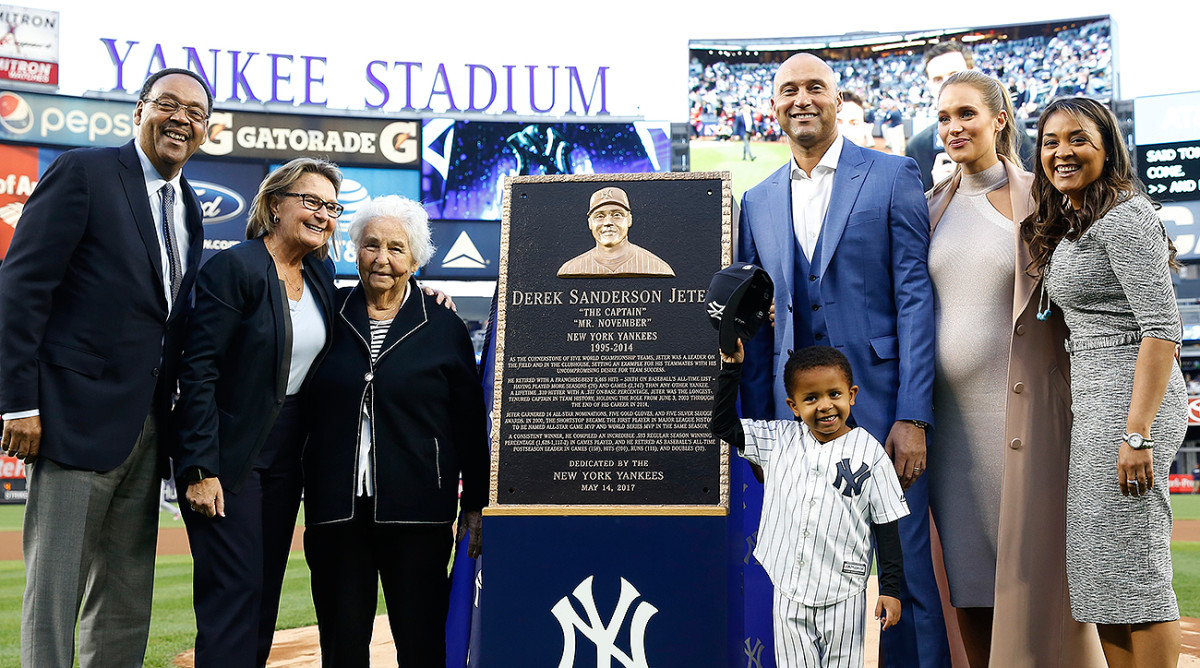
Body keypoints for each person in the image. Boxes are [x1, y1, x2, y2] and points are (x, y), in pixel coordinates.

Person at [738, 52, 949, 667]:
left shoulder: (890, 175)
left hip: (882, 410)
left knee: (899, 572)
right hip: (796, 424)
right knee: (809, 578)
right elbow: (755, 326)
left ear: (837, 100)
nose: (801, 99)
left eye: (815, 88)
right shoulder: (757, 200)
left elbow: (916, 298)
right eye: (788, 91)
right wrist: (760, 432)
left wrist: (914, 415)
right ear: (773, 107)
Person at [0, 68, 211, 667]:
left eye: (194, 112)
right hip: (72, 417)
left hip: (146, 426)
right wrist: (20, 402)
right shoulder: (85, 172)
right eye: (167, 104)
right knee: (55, 592)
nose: (180, 118)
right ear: (138, 111)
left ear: (205, 130)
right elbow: (21, 287)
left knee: (124, 596)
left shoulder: (190, 207)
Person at [925, 70, 1104, 667]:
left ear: (999, 118)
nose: (953, 127)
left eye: (967, 114)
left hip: (1021, 414)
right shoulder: (931, 205)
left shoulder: (1042, 197)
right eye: (945, 116)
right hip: (949, 428)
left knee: (1034, 579)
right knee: (967, 582)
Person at [1022, 96, 1186, 668]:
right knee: (1104, 572)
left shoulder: (1126, 216)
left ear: (1106, 146)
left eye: (1077, 139)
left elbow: (1163, 329)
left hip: (1129, 405)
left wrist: (1136, 433)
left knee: (1134, 569)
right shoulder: (1081, 220)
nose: (1062, 152)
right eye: (1050, 141)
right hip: (1097, 403)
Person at [302, 194, 488, 666]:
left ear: (416, 259)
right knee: (342, 647)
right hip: (337, 514)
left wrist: (476, 506)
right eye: (371, 245)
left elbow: (468, 423)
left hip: (419, 513)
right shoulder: (328, 311)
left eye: (396, 248)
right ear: (356, 251)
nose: (382, 259)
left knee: (422, 644)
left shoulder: (443, 325)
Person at [173, 157, 341, 666]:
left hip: (288, 459)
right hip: (229, 456)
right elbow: (197, 372)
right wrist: (201, 468)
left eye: (331, 206)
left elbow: (347, 320)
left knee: (265, 591)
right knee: (234, 590)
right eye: (310, 201)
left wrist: (422, 296)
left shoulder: (320, 271)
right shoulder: (236, 267)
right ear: (274, 205)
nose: (322, 215)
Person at [712, 342, 908, 668]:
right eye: (811, 398)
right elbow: (723, 426)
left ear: (852, 394)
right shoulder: (778, 439)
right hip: (790, 591)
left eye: (835, 394)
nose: (825, 405)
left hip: (845, 593)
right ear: (792, 405)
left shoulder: (870, 451)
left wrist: (890, 588)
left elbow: (886, 525)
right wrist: (732, 367)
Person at [907, 41, 1036, 190]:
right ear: (929, 87)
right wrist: (938, 192)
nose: (947, 84)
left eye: (955, 75)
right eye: (937, 79)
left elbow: (1036, 192)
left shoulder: (1013, 129)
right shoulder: (917, 147)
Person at [557, 186, 674, 278]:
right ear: (590, 223)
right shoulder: (571, 269)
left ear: (629, 220)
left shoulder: (656, 267)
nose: (608, 222)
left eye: (617, 215)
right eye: (600, 216)